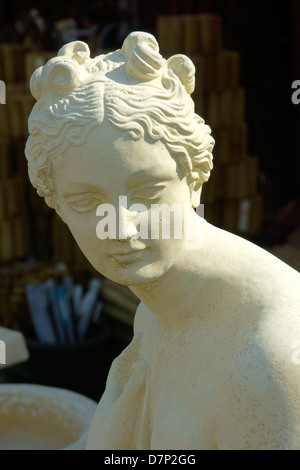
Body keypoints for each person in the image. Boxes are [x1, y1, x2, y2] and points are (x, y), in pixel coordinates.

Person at [25, 32, 300, 450]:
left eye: (148, 193)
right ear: (56, 204)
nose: (120, 227)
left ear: (194, 182)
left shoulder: (268, 364)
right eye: (85, 200)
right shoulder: (160, 305)